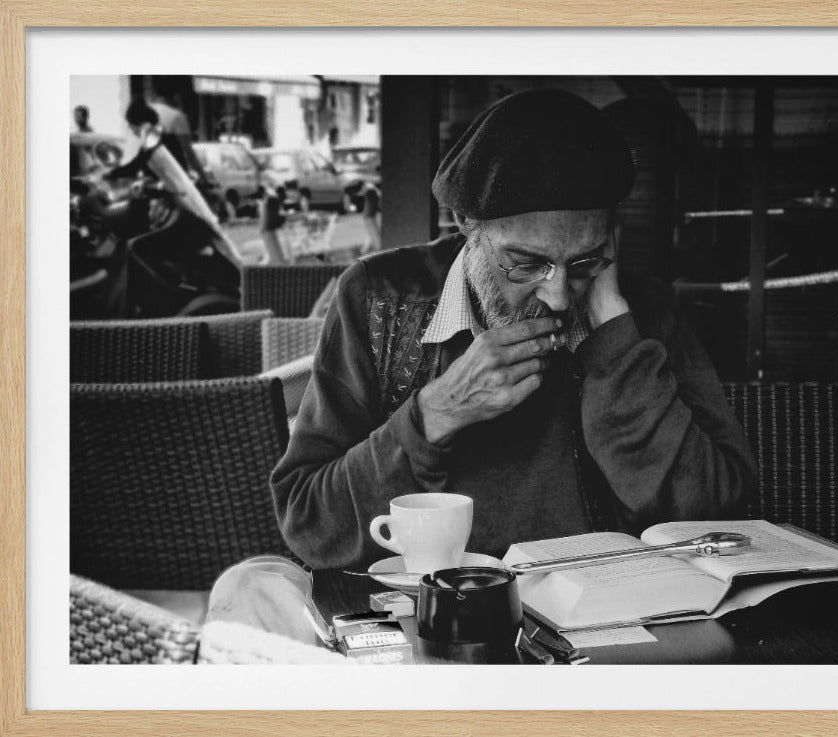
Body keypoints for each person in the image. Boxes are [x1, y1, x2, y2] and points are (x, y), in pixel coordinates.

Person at [207, 89, 757, 644]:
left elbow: (718, 517)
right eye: (526, 264)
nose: (561, 296)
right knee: (248, 589)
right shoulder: (378, 299)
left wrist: (615, 344)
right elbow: (309, 522)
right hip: (415, 629)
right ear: (467, 225)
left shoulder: (641, 312)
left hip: (608, 634)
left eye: (585, 262)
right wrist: (433, 416)